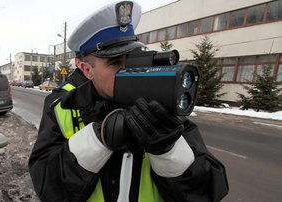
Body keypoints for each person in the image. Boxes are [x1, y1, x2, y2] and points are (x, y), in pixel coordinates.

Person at [28, 1, 229, 201]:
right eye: (115, 63)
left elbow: (209, 191)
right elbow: (48, 187)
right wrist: (98, 140)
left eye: (132, 59)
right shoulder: (63, 106)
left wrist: (168, 150)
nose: (129, 71)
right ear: (86, 69)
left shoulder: (160, 105)